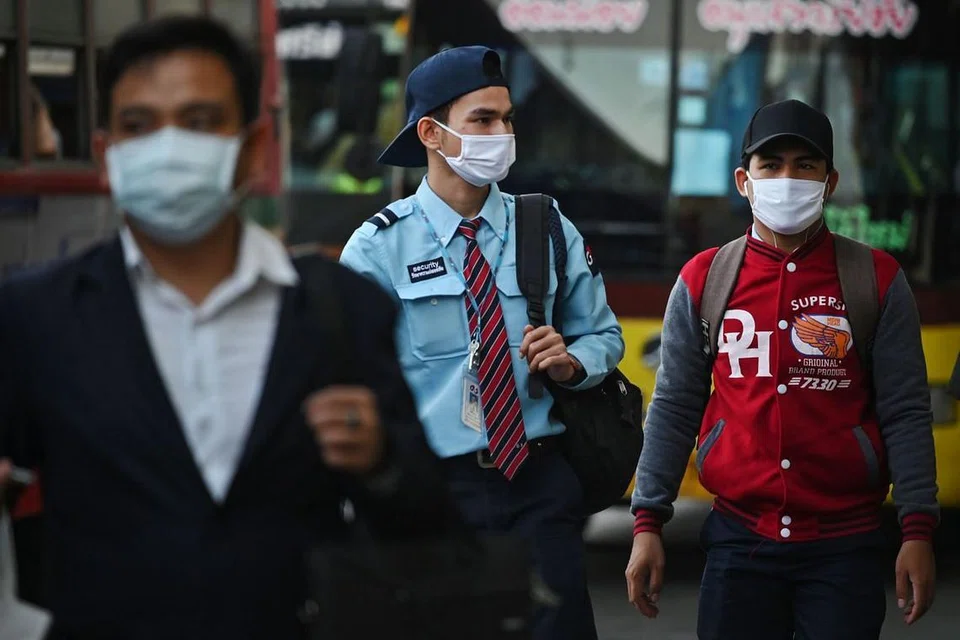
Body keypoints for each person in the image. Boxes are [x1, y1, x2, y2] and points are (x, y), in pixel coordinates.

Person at [0, 16, 456, 639]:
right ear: (108, 155)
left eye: (197, 121)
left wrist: (379, 459)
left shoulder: (339, 309)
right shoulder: (39, 316)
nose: (167, 148)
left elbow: (432, 521)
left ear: (252, 148)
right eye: (139, 125)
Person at [338, 45, 625, 640]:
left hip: (538, 485)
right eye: (483, 120)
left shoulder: (545, 226)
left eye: (507, 118)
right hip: (434, 493)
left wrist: (572, 362)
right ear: (431, 133)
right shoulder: (376, 248)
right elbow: (352, 380)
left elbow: (604, 334)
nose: (503, 134)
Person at [625, 99, 939, 639]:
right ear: (745, 181)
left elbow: (906, 411)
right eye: (771, 166)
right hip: (739, 542)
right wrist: (647, 522)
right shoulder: (705, 279)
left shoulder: (877, 279)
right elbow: (675, 405)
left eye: (805, 165)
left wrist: (918, 530)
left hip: (846, 548)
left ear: (830, 181)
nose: (787, 179)